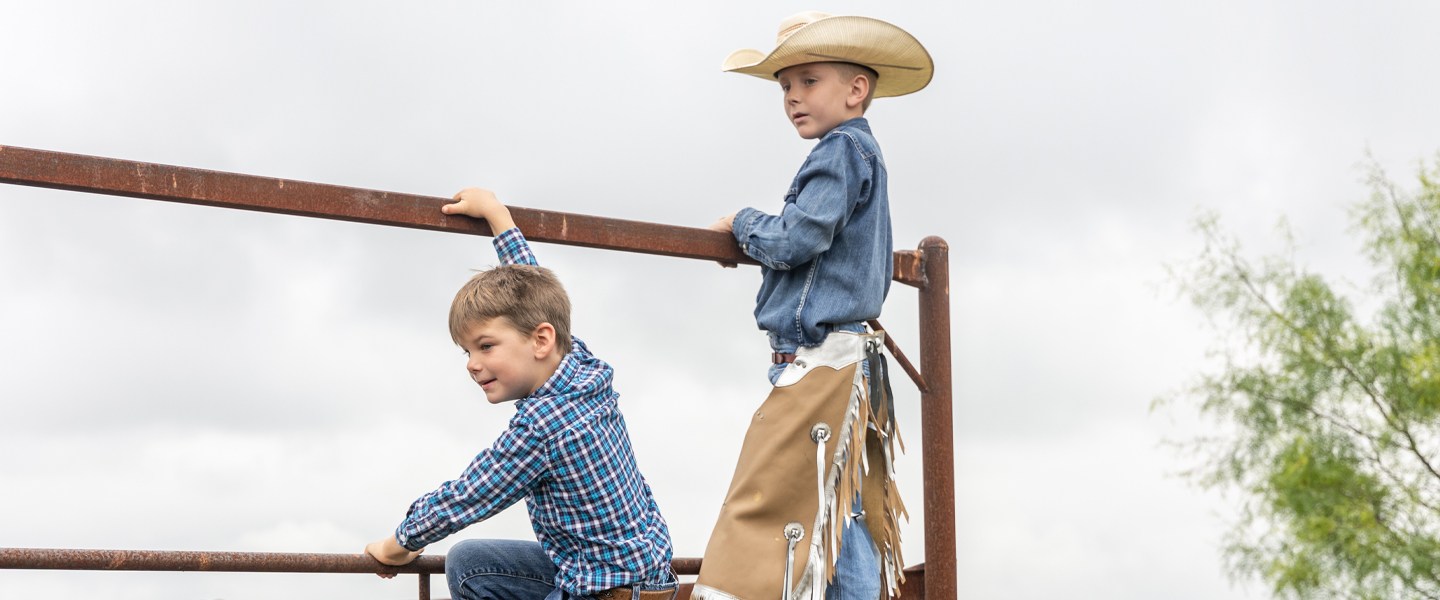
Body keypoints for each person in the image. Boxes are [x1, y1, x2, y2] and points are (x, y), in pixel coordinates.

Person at [693, 11, 933, 600]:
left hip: (819, 360)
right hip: (849, 357)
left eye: (808, 81)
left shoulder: (839, 152)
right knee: (841, 504)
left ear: (856, 90)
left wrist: (743, 226)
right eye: (784, 86)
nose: (793, 97)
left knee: (769, 499)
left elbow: (799, 238)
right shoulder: (862, 152)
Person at [364, 188, 677, 600]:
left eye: (486, 346)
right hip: (643, 579)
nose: (472, 364)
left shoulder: (542, 426)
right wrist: (499, 219)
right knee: (470, 565)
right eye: (467, 351)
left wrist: (398, 545)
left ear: (540, 342)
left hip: (604, 594)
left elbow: (468, 496)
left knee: (468, 557)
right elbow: (535, 297)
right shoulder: (580, 365)